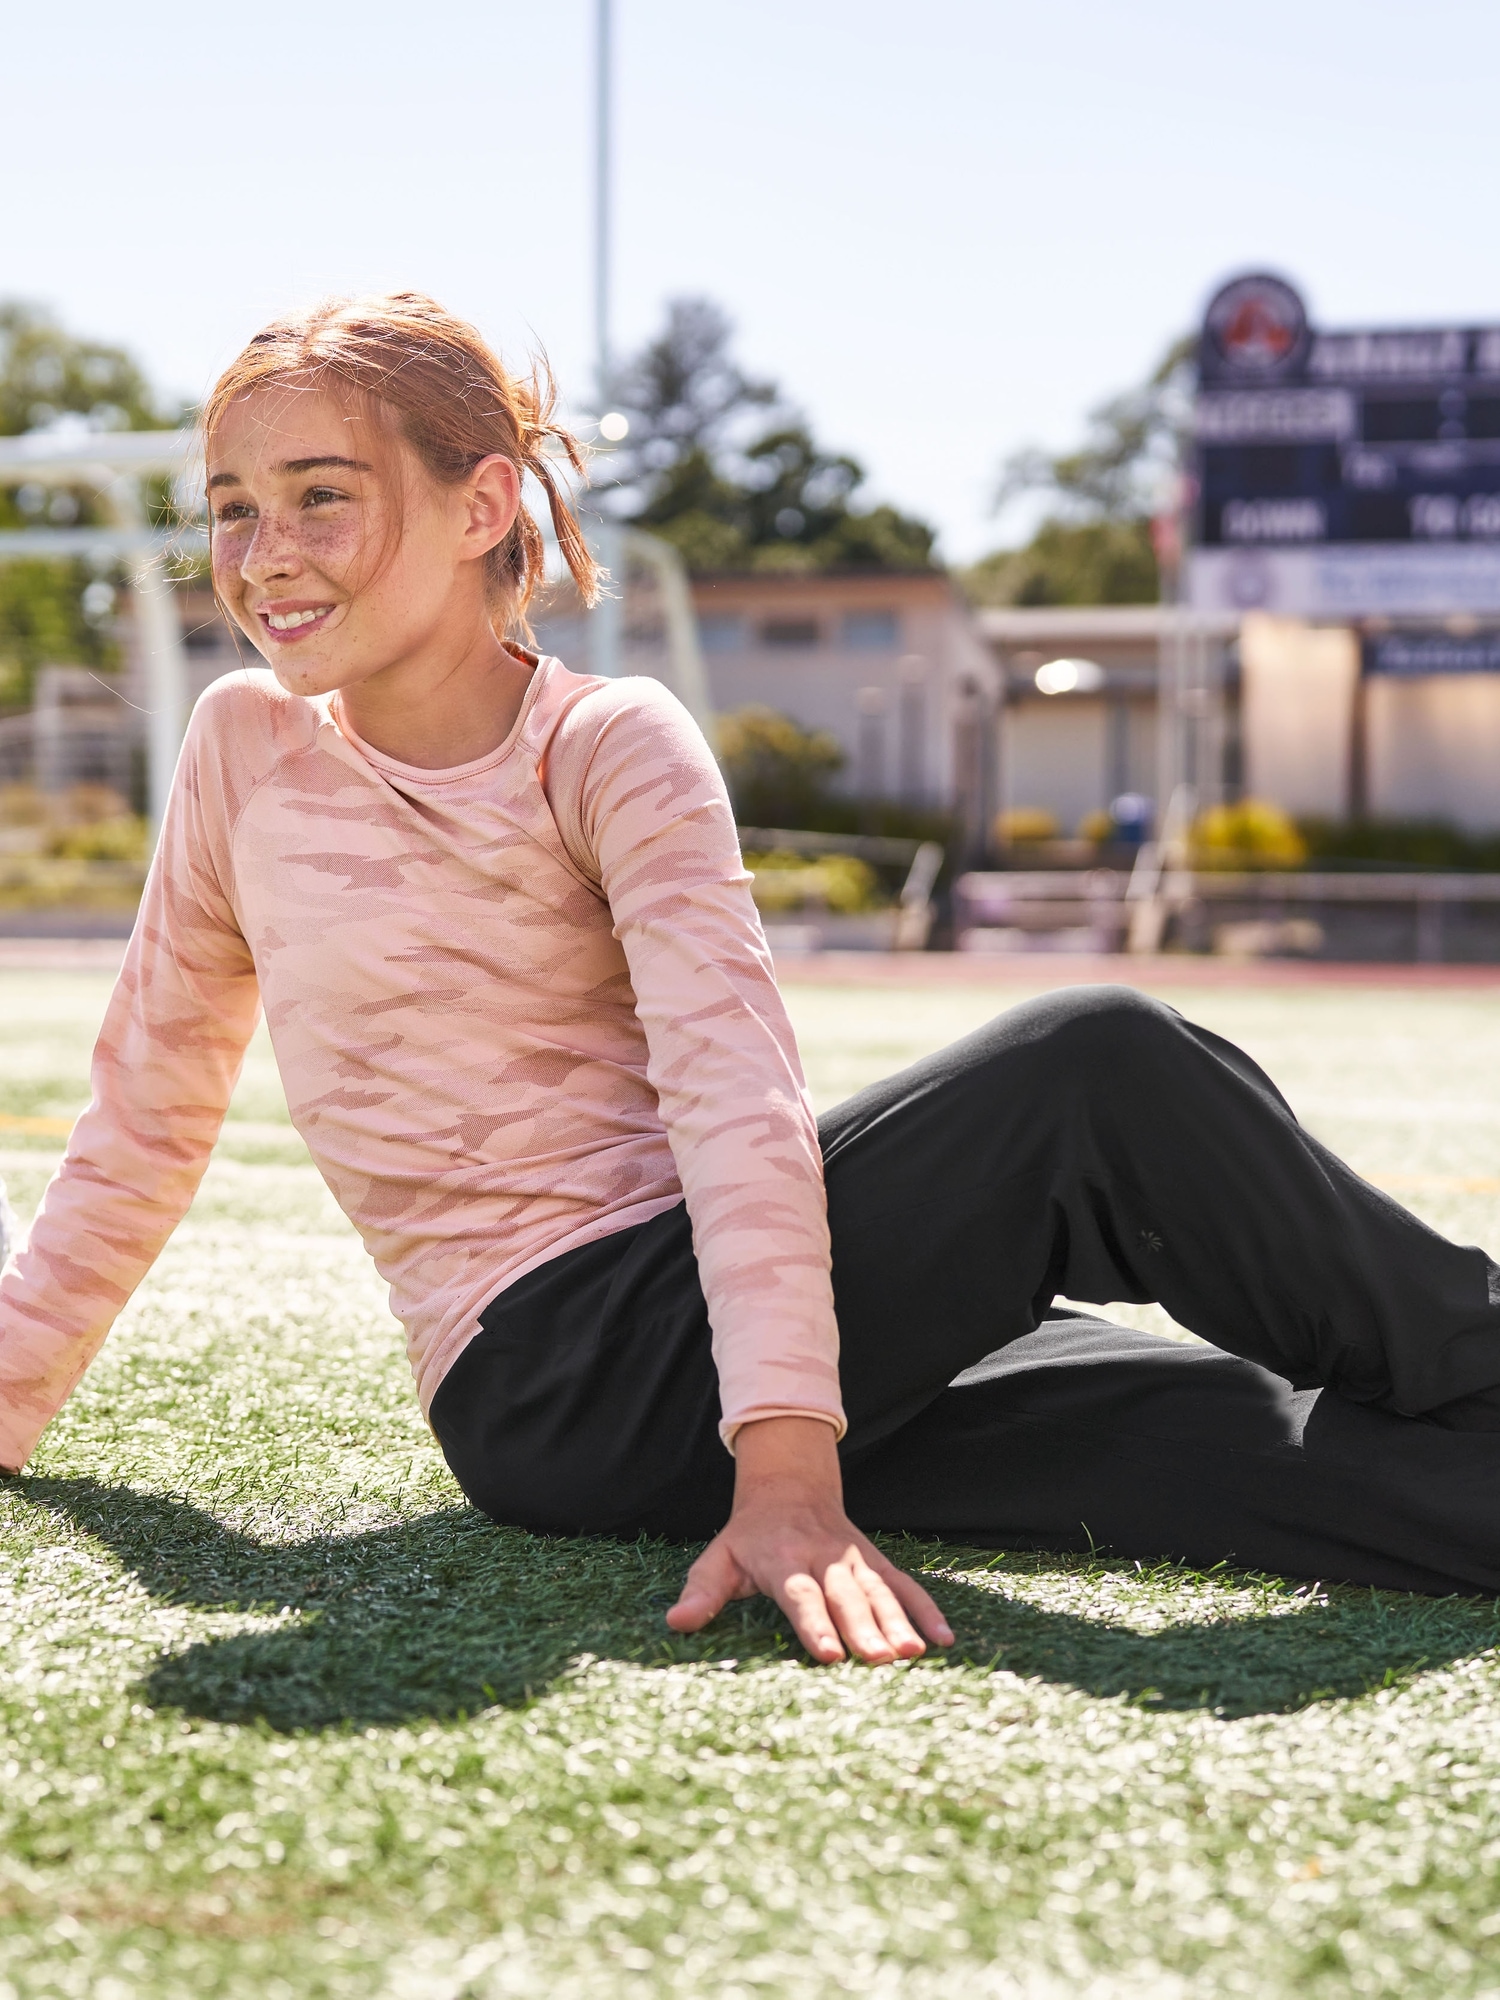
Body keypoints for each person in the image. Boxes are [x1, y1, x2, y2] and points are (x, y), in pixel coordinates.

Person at [4, 295, 1500, 1671]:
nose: (265, 553)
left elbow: (732, 1099)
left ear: (482, 507)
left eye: (321, 495)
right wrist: (9, 1396)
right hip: (561, 1377)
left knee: (1234, 1431)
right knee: (1095, 1065)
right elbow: (143, 1120)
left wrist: (789, 1444)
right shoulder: (242, 749)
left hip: (712, 1322)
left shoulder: (603, 742)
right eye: (234, 508)